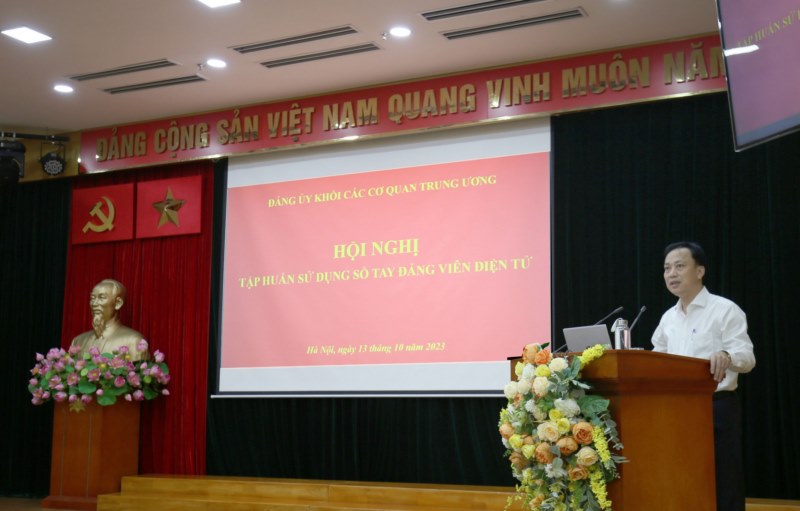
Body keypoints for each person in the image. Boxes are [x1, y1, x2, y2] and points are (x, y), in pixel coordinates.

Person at [652, 241, 755, 511]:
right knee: (682, 477)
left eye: (679, 266)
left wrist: (727, 355)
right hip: (676, 408)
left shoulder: (725, 310)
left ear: (700, 271)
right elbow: (656, 360)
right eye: (667, 268)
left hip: (715, 407)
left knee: (724, 479)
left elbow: (747, 357)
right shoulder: (668, 318)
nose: (671, 274)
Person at [70, 279, 149, 360]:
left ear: (118, 303)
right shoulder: (78, 341)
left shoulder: (134, 341)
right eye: (92, 298)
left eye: (102, 298)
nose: (94, 303)